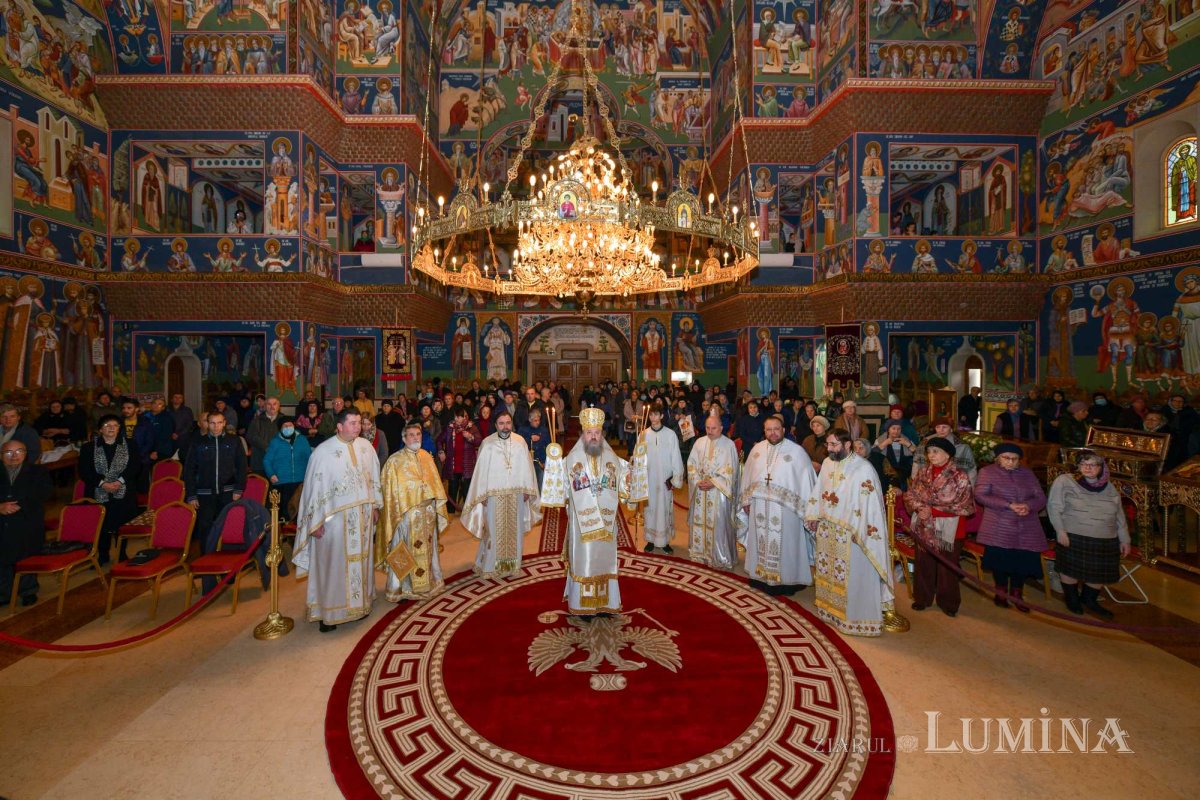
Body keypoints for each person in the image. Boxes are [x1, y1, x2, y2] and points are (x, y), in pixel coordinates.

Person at [541, 408, 646, 615]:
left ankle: (606, 603)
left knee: (605, 560)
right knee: (584, 560)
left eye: (597, 432)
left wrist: (633, 472)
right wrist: (553, 466)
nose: (594, 436)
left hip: (606, 522)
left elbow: (625, 482)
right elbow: (559, 487)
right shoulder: (571, 459)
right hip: (582, 524)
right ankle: (582, 605)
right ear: (583, 433)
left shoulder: (611, 457)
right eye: (590, 432)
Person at [293, 408, 382, 631]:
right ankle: (328, 614)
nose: (357, 427)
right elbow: (313, 491)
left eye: (359, 423)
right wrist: (315, 522)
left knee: (360, 562)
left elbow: (374, 480)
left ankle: (359, 606)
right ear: (339, 426)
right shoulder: (323, 452)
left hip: (361, 519)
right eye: (352, 423)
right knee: (332, 565)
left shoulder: (366, 448)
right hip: (334, 521)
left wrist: (374, 505)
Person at [806, 430, 893, 636]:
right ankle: (829, 611)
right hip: (828, 529)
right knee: (829, 571)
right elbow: (818, 490)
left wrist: (862, 530)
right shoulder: (827, 463)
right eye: (828, 444)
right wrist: (813, 515)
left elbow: (871, 504)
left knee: (852, 576)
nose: (830, 449)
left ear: (848, 445)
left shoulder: (863, 468)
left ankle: (854, 619)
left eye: (834, 445)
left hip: (851, 532)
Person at [737, 416, 817, 595]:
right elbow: (748, 477)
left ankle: (787, 581)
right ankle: (760, 577)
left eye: (776, 429)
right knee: (760, 541)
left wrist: (807, 511)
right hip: (758, 506)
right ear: (764, 431)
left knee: (787, 545)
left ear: (783, 429)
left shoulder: (797, 452)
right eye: (769, 429)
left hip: (787, 510)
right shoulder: (757, 449)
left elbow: (807, 483)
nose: (772, 433)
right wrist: (746, 501)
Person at [1048, 451, 1129, 619]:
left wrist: (1125, 538)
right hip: (1074, 535)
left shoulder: (1110, 486)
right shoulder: (1065, 481)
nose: (1088, 468)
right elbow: (1054, 507)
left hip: (1106, 538)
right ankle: (1071, 598)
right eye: (1084, 464)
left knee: (1098, 572)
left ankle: (1089, 600)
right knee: (1069, 569)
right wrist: (1060, 531)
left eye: (1093, 465)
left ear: (1102, 467)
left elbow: (1119, 514)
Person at [461, 410, 541, 578]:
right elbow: (481, 472)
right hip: (493, 497)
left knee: (515, 531)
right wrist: (482, 495)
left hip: (516, 495)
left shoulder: (520, 442)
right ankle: (490, 565)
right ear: (496, 425)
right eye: (501, 423)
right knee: (493, 531)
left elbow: (527, 468)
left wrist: (527, 490)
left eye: (508, 423)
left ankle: (512, 565)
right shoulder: (487, 443)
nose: (505, 427)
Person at [905, 436, 976, 617]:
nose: (931, 455)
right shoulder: (922, 473)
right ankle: (922, 598)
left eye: (935, 451)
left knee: (947, 567)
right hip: (924, 525)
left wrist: (932, 511)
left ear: (948, 455)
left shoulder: (959, 476)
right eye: (929, 452)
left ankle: (948, 603)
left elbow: (966, 505)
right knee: (923, 564)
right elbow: (910, 495)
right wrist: (920, 508)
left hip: (950, 528)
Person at [378, 422, 449, 600]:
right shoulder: (394, 461)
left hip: (427, 513)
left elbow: (435, 484)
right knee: (403, 549)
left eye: (418, 434)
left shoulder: (426, 456)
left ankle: (430, 582)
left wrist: (435, 504)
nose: (415, 438)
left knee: (428, 548)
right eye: (411, 435)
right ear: (404, 438)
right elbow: (388, 494)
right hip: (407, 516)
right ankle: (401, 588)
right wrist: (397, 516)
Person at [973, 444, 1048, 611]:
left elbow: (1041, 497)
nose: (1010, 461)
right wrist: (1008, 505)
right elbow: (980, 495)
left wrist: (1028, 505)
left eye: (1014, 459)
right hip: (999, 523)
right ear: (998, 458)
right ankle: (1001, 592)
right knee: (1001, 560)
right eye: (1006, 458)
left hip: (1026, 525)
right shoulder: (987, 472)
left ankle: (1017, 593)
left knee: (1022, 560)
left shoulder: (1027, 473)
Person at [79, 415, 141, 565]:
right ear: (100, 429)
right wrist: (103, 484)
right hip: (97, 491)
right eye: (107, 425)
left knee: (122, 523)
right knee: (101, 524)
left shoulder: (130, 444)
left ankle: (122, 552)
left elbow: (135, 466)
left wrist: (119, 482)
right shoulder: (88, 447)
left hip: (124, 490)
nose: (111, 427)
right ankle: (102, 554)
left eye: (115, 425)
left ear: (119, 428)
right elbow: (84, 470)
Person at [183, 410, 247, 553]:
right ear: (207, 424)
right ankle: (206, 561)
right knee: (205, 528)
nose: (216, 426)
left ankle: (228, 561)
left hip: (229, 493)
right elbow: (189, 470)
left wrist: (238, 489)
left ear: (224, 423)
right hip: (204, 494)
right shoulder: (198, 442)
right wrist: (191, 494)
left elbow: (242, 467)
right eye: (212, 423)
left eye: (219, 423)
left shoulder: (234, 441)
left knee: (228, 527)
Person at [686, 414, 739, 569]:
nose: (710, 431)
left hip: (718, 492)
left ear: (722, 427)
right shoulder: (699, 442)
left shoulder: (729, 445)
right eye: (707, 428)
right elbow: (691, 464)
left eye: (713, 428)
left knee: (719, 524)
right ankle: (700, 553)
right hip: (700, 489)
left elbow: (732, 470)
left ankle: (719, 556)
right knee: (699, 520)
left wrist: (714, 482)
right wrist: (697, 480)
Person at [0, 440, 49, 606]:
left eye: (18, 451)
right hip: (2, 521)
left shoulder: (38, 472)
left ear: (25, 453)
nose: (14, 456)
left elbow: (44, 493)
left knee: (27, 556)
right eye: (8, 453)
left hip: (27, 519)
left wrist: (18, 506)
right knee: (3, 558)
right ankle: (4, 592)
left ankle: (28, 590)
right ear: (1, 455)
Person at [640, 403, 684, 554]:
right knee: (650, 508)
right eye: (651, 415)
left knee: (664, 508)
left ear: (662, 416)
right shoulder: (643, 434)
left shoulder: (670, 434)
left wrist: (675, 477)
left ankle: (664, 541)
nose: (653, 418)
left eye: (656, 414)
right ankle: (650, 540)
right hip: (649, 478)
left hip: (665, 478)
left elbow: (676, 457)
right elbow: (638, 456)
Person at [262, 419, 311, 522]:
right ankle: (282, 535)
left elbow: (310, 458)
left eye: (290, 425)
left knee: (299, 512)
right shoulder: (275, 441)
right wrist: (271, 475)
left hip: (300, 482)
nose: (288, 427)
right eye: (285, 425)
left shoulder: (302, 439)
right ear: (280, 428)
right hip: (281, 482)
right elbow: (267, 460)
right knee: (284, 513)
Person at [438, 406, 481, 512]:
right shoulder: (450, 428)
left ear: (465, 417)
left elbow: (480, 441)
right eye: (455, 416)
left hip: (467, 465)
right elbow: (439, 440)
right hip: (453, 465)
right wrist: (441, 451)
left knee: (467, 491)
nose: (456, 419)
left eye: (459, 417)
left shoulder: (472, 427)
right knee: (452, 490)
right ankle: (451, 513)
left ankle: (467, 514)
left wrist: (470, 437)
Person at [247, 396, 286, 474]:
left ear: (279, 406)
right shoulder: (257, 420)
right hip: (260, 461)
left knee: (277, 485)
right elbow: (251, 436)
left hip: (279, 461)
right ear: (265, 406)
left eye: (274, 404)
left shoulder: (285, 421)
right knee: (261, 485)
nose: (272, 407)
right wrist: (267, 447)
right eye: (269, 404)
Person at [516, 407, 550, 488]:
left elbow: (548, 445)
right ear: (530, 420)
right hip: (527, 462)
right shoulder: (522, 430)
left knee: (541, 483)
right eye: (535, 420)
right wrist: (529, 439)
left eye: (539, 420)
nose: (537, 422)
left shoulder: (544, 430)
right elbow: (518, 445)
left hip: (541, 461)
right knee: (529, 484)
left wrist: (546, 461)